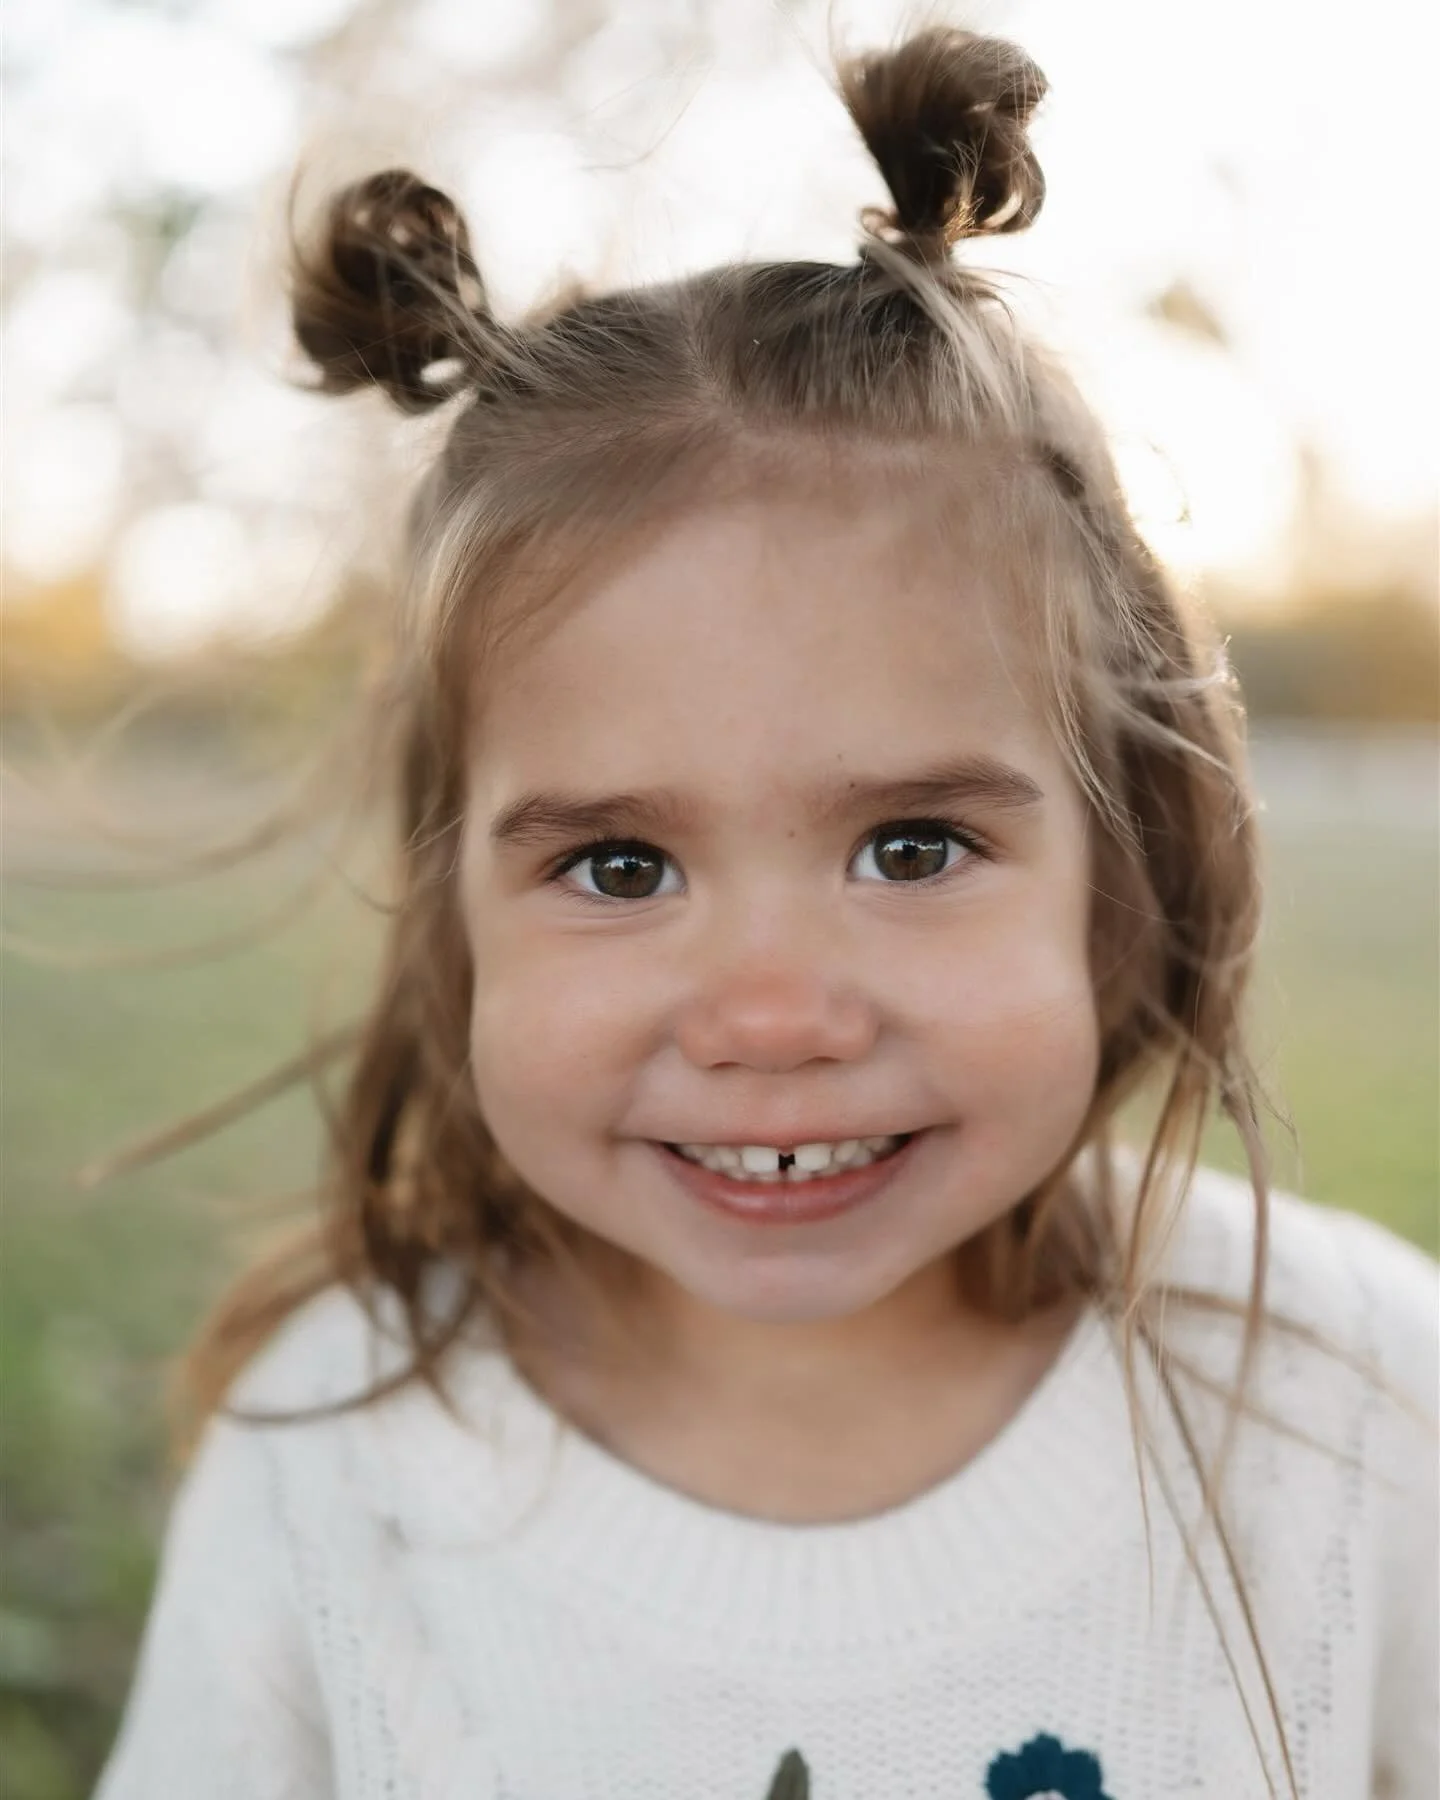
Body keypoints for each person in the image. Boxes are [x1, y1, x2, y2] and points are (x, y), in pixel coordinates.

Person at [94, 26, 1436, 1800]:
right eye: (620, 868)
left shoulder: (1353, 1399)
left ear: (1128, 872)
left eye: (912, 847)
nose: (774, 1013)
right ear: (459, 915)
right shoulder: (340, 1460)